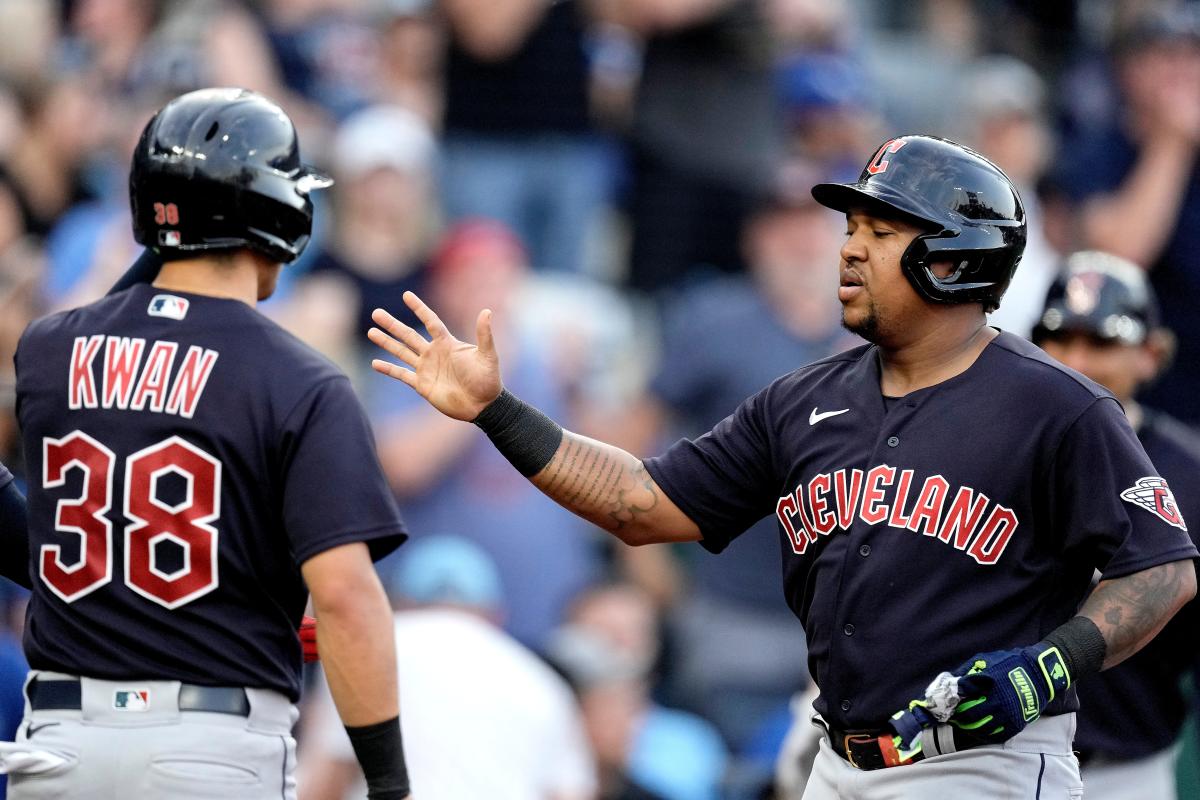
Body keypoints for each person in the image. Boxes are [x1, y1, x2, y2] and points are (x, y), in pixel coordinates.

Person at [368, 134, 1197, 798]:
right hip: (836, 760)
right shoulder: (800, 401)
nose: (849, 251)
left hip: (978, 764)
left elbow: (1162, 570)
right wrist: (495, 411)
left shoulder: (1056, 406)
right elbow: (636, 501)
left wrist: (1052, 662)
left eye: (880, 232)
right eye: (851, 229)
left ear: (954, 257)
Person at [8, 88, 410, 800]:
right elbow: (346, 598)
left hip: (59, 749)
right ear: (279, 210)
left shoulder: (47, 350)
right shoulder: (300, 381)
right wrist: (388, 784)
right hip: (210, 750)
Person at [1032, 251, 1200, 800]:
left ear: (1152, 354)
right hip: (996, 762)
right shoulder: (990, 447)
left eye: (1101, 342)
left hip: (1126, 771)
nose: (1076, 359)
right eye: (1060, 338)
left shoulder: (1191, 473)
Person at [299, 534, 597, 800]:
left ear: (400, 602)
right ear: (494, 613)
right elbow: (571, 792)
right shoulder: (542, 682)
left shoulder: (369, 652)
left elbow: (325, 781)